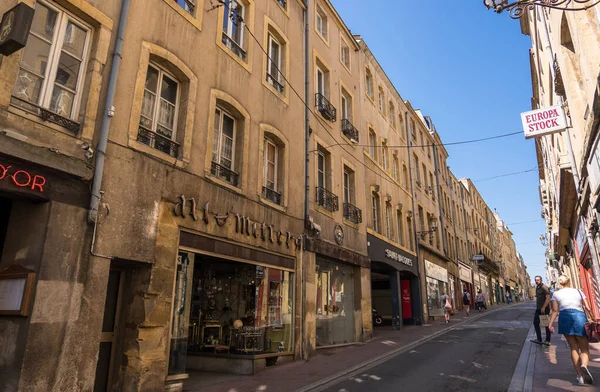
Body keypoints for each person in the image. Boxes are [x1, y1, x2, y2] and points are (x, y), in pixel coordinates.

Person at [548, 275, 593, 386]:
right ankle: (584, 366)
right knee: (584, 348)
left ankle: (580, 377)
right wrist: (592, 318)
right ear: (569, 281)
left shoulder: (556, 294)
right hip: (579, 317)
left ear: (559, 283)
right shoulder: (578, 291)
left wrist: (550, 324)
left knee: (573, 347)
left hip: (564, 317)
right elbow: (587, 307)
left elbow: (554, 310)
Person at [531, 275, 552, 346]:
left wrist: (543, 307)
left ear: (541, 280)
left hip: (544, 309)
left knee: (546, 324)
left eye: (538, 280)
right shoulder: (537, 288)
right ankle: (539, 339)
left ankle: (547, 340)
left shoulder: (544, 287)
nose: (536, 281)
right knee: (536, 323)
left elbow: (548, 298)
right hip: (538, 308)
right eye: (535, 280)